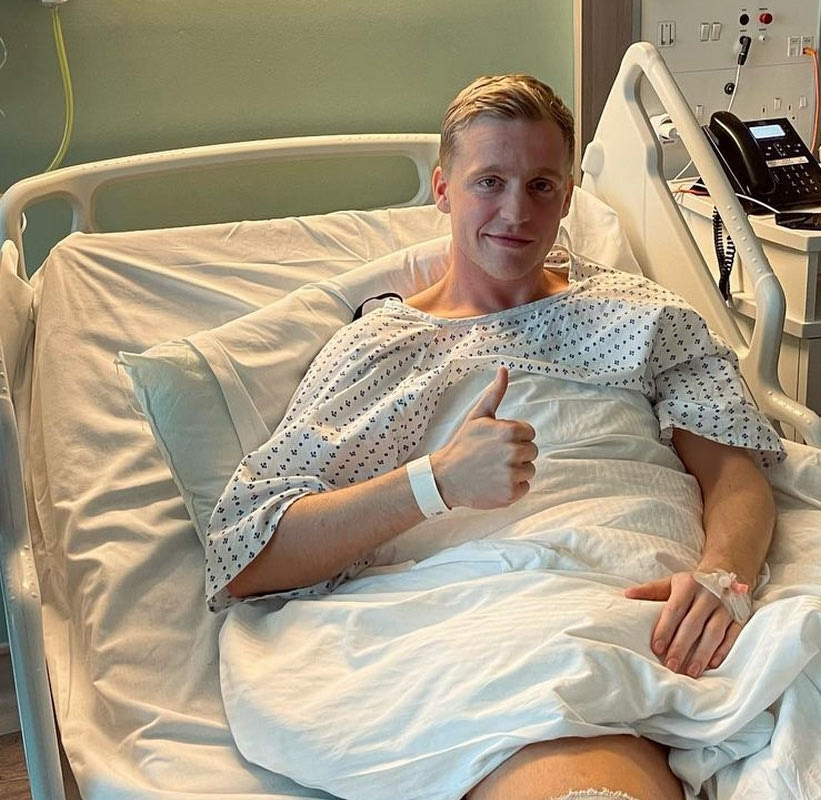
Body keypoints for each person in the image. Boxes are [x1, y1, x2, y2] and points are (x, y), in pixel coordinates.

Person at [205, 74, 784, 800]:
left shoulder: (643, 313)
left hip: (649, 590)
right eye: (489, 182)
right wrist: (434, 484)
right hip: (492, 606)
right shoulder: (383, 347)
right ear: (442, 190)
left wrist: (724, 577)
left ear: (567, 197)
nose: (516, 212)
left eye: (542, 185)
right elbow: (248, 556)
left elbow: (732, 472)